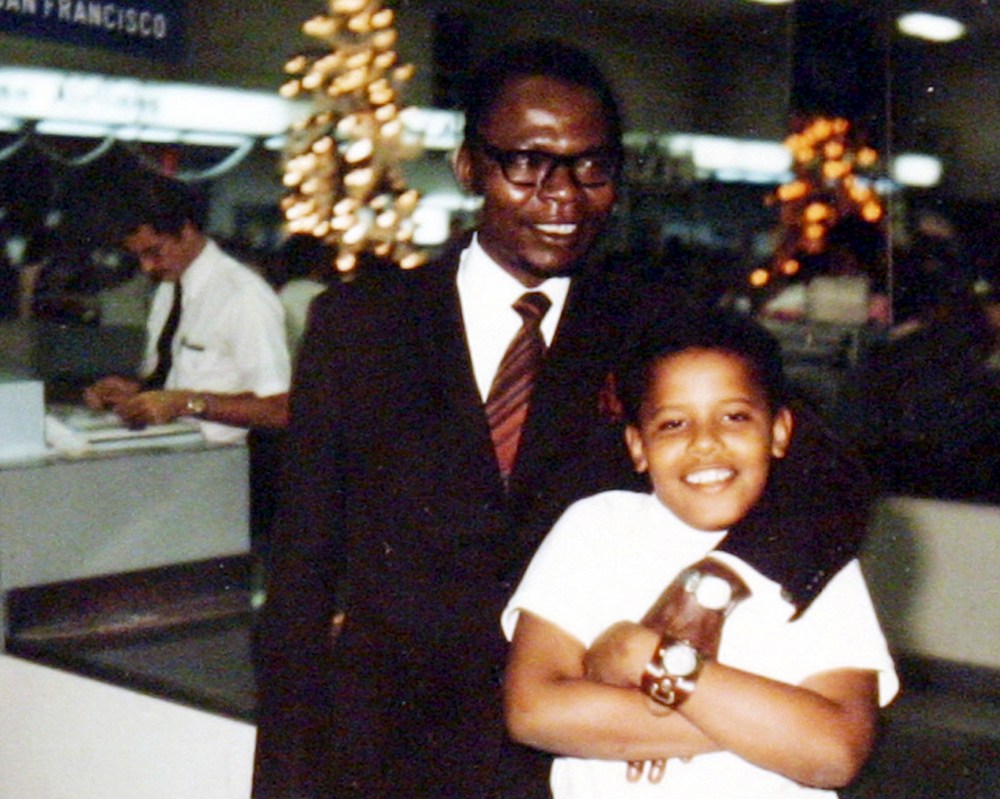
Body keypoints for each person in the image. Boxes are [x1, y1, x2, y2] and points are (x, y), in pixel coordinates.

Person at [253, 39, 872, 799]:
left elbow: (827, 472)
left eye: (592, 166)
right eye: (527, 162)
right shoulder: (361, 325)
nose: (565, 195)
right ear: (469, 166)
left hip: (579, 748)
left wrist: (713, 584)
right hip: (390, 746)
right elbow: (300, 579)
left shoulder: (655, 326)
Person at [502, 309, 898, 798]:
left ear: (778, 431)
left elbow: (836, 751)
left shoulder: (817, 557)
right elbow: (533, 711)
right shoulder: (597, 527)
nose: (705, 443)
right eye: (673, 424)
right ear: (637, 446)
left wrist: (639, 652)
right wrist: (760, 725)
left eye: (734, 417)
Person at [82, 174, 291, 443]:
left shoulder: (243, 296)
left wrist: (185, 403)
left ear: (187, 230)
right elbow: (183, 384)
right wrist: (139, 396)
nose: (147, 267)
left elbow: (280, 409)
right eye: (139, 257)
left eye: (154, 252)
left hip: (231, 465)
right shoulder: (169, 290)